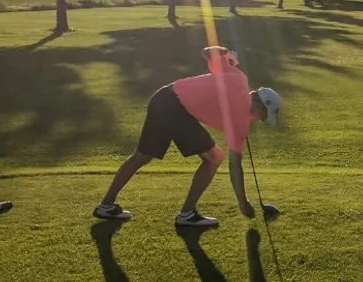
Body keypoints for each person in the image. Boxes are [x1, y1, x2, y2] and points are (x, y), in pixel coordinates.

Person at [93, 46, 281, 227]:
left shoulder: (239, 78)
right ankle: (187, 215)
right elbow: (235, 164)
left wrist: (225, 55)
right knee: (214, 158)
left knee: (142, 156)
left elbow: (208, 52)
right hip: (174, 106)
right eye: (264, 115)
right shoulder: (239, 100)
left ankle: (106, 206)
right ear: (258, 101)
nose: (262, 120)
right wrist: (243, 202)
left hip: (163, 98)